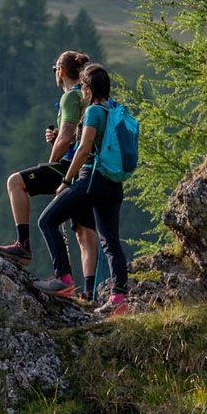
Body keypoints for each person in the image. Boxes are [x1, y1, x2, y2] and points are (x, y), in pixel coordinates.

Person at [0, 51, 99, 292]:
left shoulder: (69, 98)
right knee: (84, 232)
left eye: (55, 70)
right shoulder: (87, 98)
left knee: (15, 182)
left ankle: (23, 245)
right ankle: (89, 292)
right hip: (89, 171)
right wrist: (57, 140)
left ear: (60, 71)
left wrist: (53, 159)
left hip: (68, 167)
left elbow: (67, 135)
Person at [35, 63, 132, 317]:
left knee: (46, 220)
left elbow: (84, 148)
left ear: (87, 89)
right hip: (114, 184)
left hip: (92, 179)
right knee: (110, 241)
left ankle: (64, 279)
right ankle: (119, 298)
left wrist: (66, 180)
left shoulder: (93, 112)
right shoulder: (115, 110)